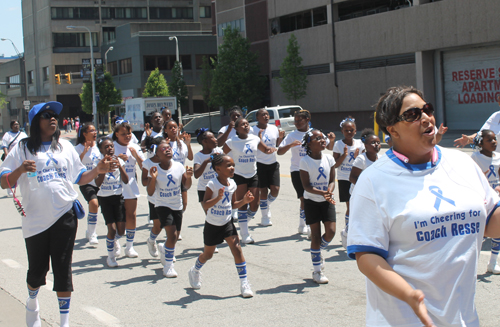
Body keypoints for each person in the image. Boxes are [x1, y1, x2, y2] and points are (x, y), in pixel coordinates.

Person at [347, 86, 500, 327]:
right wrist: (408, 294)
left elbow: (492, 224)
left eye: (427, 109)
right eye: (412, 114)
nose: (426, 117)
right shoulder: (374, 181)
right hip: (404, 319)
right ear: (392, 130)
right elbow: (366, 255)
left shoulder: (462, 163)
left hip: (463, 319)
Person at [0, 101, 112, 327]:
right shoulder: (22, 148)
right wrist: (20, 169)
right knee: (37, 271)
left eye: (54, 115)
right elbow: (4, 182)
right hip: (35, 220)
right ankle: (32, 301)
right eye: (46, 115)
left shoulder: (65, 146)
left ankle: (64, 322)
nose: (53, 119)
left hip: (64, 215)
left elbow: (79, 177)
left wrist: (97, 170)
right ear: (35, 122)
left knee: (63, 267)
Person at [187, 153, 255, 297]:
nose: (232, 168)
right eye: (228, 166)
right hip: (212, 225)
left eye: (233, 165)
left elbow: (233, 205)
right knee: (208, 255)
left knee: (237, 250)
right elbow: (205, 204)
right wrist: (217, 198)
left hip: (227, 223)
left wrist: (244, 201)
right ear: (218, 169)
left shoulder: (233, 184)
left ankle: (244, 283)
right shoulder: (212, 184)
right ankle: (195, 270)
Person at [277, 109, 334, 236]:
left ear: (307, 120)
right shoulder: (292, 135)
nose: (296, 123)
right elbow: (279, 152)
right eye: (295, 120)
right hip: (297, 170)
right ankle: (305, 224)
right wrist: (290, 145)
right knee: (303, 197)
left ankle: (307, 222)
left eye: (299, 120)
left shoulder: (315, 133)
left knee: (310, 197)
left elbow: (329, 146)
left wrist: (331, 139)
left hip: (313, 168)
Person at [223, 117, 275, 243]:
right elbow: (221, 154)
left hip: (253, 174)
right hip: (239, 175)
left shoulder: (255, 139)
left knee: (254, 205)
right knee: (242, 204)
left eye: (247, 124)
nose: (246, 126)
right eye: (242, 125)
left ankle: (243, 223)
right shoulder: (232, 141)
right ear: (236, 129)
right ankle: (245, 234)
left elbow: (266, 150)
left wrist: (271, 150)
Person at [147, 139, 193, 278]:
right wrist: (153, 178)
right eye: (163, 149)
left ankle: (164, 249)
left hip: (176, 205)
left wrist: (189, 177)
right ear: (157, 156)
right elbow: (150, 192)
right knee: (172, 234)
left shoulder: (179, 166)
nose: (167, 150)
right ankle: (168, 266)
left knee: (175, 235)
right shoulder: (155, 169)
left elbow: (186, 185)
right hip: (162, 205)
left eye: (168, 148)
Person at [299, 129, 336, 284]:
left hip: (326, 200)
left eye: (322, 138)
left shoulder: (329, 158)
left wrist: (329, 191)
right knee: (315, 234)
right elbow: (306, 186)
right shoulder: (305, 162)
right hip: (311, 201)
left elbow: (332, 180)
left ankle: (317, 250)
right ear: (309, 143)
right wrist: (323, 193)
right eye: (317, 138)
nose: (322, 140)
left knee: (331, 232)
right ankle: (317, 270)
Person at [342, 128, 381, 248]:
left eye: (378, 142)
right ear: (366, 145)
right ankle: (347, 233)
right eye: (373, 143)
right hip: (359, 194)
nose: (376, 145)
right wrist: (366, 185)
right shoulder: (361, 159)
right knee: (358, 217)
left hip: (372, 193)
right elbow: (352, 177)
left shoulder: (380, 158)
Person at [112, 122, 145, 257]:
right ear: (117, 134)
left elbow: (144, 167)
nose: (127, 136)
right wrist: (118, 159)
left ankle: (129, 246)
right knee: (117, 218)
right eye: (124, 134)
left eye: (129, 133)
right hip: (115, 187)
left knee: (131, 215)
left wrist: (136, 157)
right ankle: (114, 240)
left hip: (130, 186)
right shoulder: (112, 147)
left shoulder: (135, 147)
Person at [95, 137, 129, 267]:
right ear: (101, 150)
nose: (110, 149)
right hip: (105, 198)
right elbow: (97, 183)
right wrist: (104, 169)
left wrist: (120, 165)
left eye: (111, 146)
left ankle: (114, 240)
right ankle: (110, 257)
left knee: (121, 230)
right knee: (112, 228)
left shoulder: (119, 160)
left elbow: (125, 180)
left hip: (118, 197)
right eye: (106, 147)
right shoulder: (98, 162)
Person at [470, 129, 500, 274]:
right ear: (481, 143)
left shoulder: (499, 157)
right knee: (479, 233)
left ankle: (493, 262)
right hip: (481, 201)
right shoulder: (475, 158)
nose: (494, 142)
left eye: (494, 139)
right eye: (490, 140)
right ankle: (471, 265)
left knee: (498, 231)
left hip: (496, 200)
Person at [250, 109, 285, 226]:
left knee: (275, 190)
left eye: (267, 114)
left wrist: (280, 138)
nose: (266, 116)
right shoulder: (252, 130)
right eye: (263, 115)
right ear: (257, 118)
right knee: (263, 190)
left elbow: (277, 146)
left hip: (273, 163)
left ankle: (265, 204)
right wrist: (259, 136)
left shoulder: (273, 128)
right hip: (259, 164)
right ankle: (265, 217)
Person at [333, 116, 364, 244]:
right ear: (342, 131)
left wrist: (357, 157)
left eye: (351, 130)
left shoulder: (360, 144)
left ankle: (356, 230)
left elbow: (362, 162)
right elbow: (335, 164)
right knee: (350, 206)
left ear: (355, 131)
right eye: (346, 130)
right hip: (344, 178)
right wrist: (344, 155)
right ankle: (347, 230)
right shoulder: (338, 144)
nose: (349, 133)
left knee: (359, 205)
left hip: (357, 178)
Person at [74, 123, 101, 245]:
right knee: (93, 203)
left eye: (95, 130)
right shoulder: (78, 148)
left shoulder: (99, 147)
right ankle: (92, 233)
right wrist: (83, 153)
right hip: (86, 181)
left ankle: (90, 230)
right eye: (91, 131)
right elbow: (73, 166)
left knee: (98, 206)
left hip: (100, 181)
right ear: (84, 134)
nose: (94, 133)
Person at [142, 136, 163, 259]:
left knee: (173, 228)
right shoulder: (148, 163)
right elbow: (144, 182)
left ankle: (168, 252)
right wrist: (152, 177)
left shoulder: (170, 162)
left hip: (170, 198)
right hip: (154, 199)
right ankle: (151, 240)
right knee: (158, 226)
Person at [1, 120, 28, 196]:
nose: (16, 126)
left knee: (23, 174)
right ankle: (10, 190)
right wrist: (7, 154)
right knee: (11, 174)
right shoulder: (7, 134)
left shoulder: (23, 134)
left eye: (17, 124)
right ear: (11, 126)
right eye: (15, 124)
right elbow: (5, 145)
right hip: (11, 157)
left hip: (21, 157)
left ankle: (24, 190)